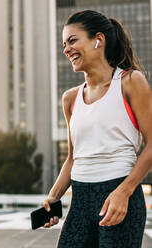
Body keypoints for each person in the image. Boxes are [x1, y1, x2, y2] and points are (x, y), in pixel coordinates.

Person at [43, 10, 152, 248]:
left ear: (98, 40)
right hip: (80, 199)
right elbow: (73, 158)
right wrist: (54, 196)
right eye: (64, 44)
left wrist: (125, 192)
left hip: (118, 193)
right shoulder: (70, 98)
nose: (66, 49)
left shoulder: (130, 81)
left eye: (72, 40)